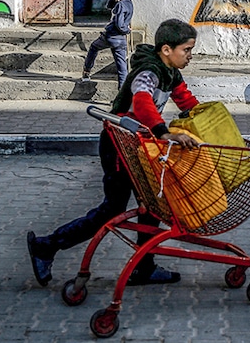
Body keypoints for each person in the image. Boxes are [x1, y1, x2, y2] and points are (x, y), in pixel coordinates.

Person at [28, 19, 200, 287]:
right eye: (187, 50)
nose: (190, 56)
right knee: (112, 210)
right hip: (119, 145)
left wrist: (209, 121)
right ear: (167, 49)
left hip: (138, 146)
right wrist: (163, 132)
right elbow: (141, 101)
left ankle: (145, 267)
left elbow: (187, 101)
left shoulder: (171, 73)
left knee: (151, 205)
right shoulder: (148, 71)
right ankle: (46, 246)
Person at [82, 0, 134, 88]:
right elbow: (110, 6)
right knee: (122, 68)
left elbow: (118, 24)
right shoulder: (129, 4)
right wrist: (127, 30)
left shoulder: (120, 5)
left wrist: (126, 29)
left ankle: (86, 72)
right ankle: (122, 96)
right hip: (121, 40)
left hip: (111, 36)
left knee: (93, 47)